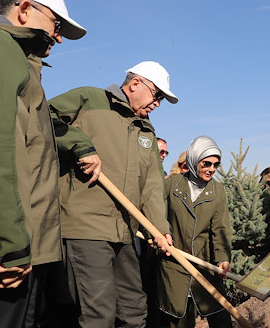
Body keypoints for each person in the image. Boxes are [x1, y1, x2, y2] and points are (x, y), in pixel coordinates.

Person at [0, 0, 87, 327]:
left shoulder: (14, 58)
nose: (57, 37)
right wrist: (12, 245)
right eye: (55, 24)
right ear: (24, 10)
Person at [49, 61, 178, 327]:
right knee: (99, 314)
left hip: (125, 232)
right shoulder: (89, 99)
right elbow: (41, 116)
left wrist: (159, 229)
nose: (157, 104)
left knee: (134, 312)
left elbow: (153, 184)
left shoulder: (146, 129)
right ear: (135, 84)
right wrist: (80, 145)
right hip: (86, 226)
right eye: (157, 96)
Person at [156, 136, 233, 328]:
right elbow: (157, 214)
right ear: (193, 160)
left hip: (204, 264)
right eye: (206, 163)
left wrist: (223, 258)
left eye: (216, 165)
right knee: (179, 317)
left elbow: (220, 227)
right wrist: (158, 235)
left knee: (220, 316)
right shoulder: (171, 185)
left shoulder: (217, 190)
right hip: (174, 262)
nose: (211, 169)